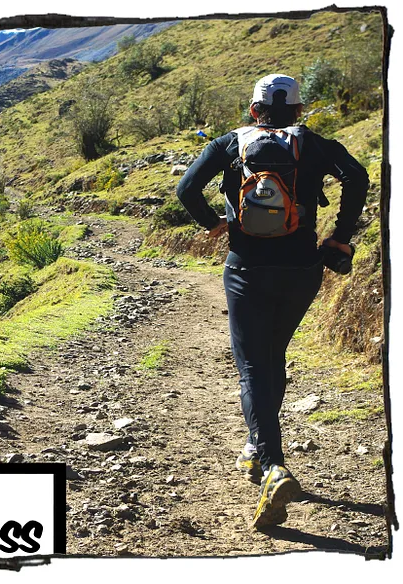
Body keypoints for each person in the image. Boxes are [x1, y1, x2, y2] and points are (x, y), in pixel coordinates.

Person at [175, 74, 369, 528]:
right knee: (272, 358)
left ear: (253, 109)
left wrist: (212, 223)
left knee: (253, 367)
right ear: (297, 110)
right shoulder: (314, 143)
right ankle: (255, 446)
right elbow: (356, 177)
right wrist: (339, 237)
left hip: (246, 269)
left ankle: (272, 464)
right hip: (302, 271)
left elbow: (186, 188)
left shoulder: (230, 143)